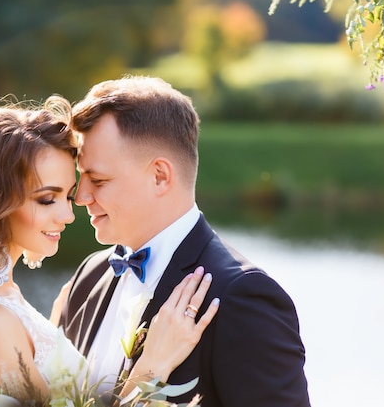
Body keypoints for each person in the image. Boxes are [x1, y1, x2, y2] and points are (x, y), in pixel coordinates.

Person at [0, 95, 219, 407]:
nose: (67, 213)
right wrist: (152, 366)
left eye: (66, 194)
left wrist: (52, 330)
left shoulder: (0, 300)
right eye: (47, 199)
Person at [59, 75, 311, 407]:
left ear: (160, 176)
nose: (80, 196)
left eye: (98, 179)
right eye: (81, 177)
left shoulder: (242, 298)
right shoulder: (90, 276)